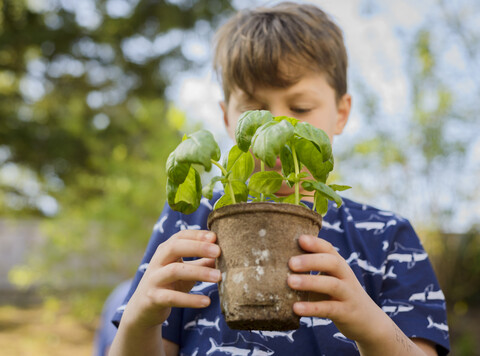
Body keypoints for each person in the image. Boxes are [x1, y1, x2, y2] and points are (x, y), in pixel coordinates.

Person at [109, 2, 450, 355]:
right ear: (228, 118)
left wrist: (370, 325)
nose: (278, 130)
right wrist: (140, 319)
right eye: (255, 112)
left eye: (300, 109)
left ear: (341, 113)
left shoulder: (387, 236)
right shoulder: (189, 226)